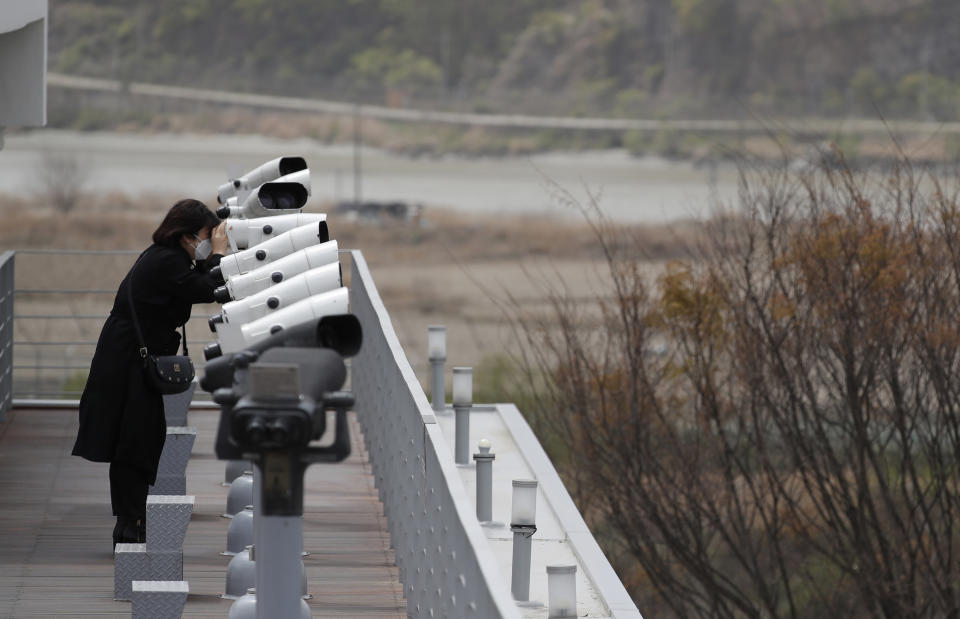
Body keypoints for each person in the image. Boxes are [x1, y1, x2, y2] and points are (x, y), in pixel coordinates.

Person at [71, 199, 228, 548]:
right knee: (134, 438)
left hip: (130, 356)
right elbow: (205, 289)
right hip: (127, 360)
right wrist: (218, 253)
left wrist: (213, 256)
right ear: (187, 235)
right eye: (206, 235)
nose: (208, 241)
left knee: (140, 436)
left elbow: (203, 284)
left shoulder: (169, 257)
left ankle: (131, 522)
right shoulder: (166, 261)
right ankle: (129, 526)